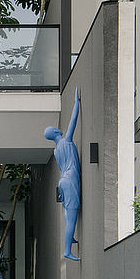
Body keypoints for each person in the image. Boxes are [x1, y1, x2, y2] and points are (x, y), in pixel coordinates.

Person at [44, 87, 81, 260]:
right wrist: (76, 102)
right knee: (72, 217)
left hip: (62, 181)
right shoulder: (66, 141)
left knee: (68, 212)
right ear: (56, 132)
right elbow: (73, 119)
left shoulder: (56, 150)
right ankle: (67, 251)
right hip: (70, 179)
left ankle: (70, 236)